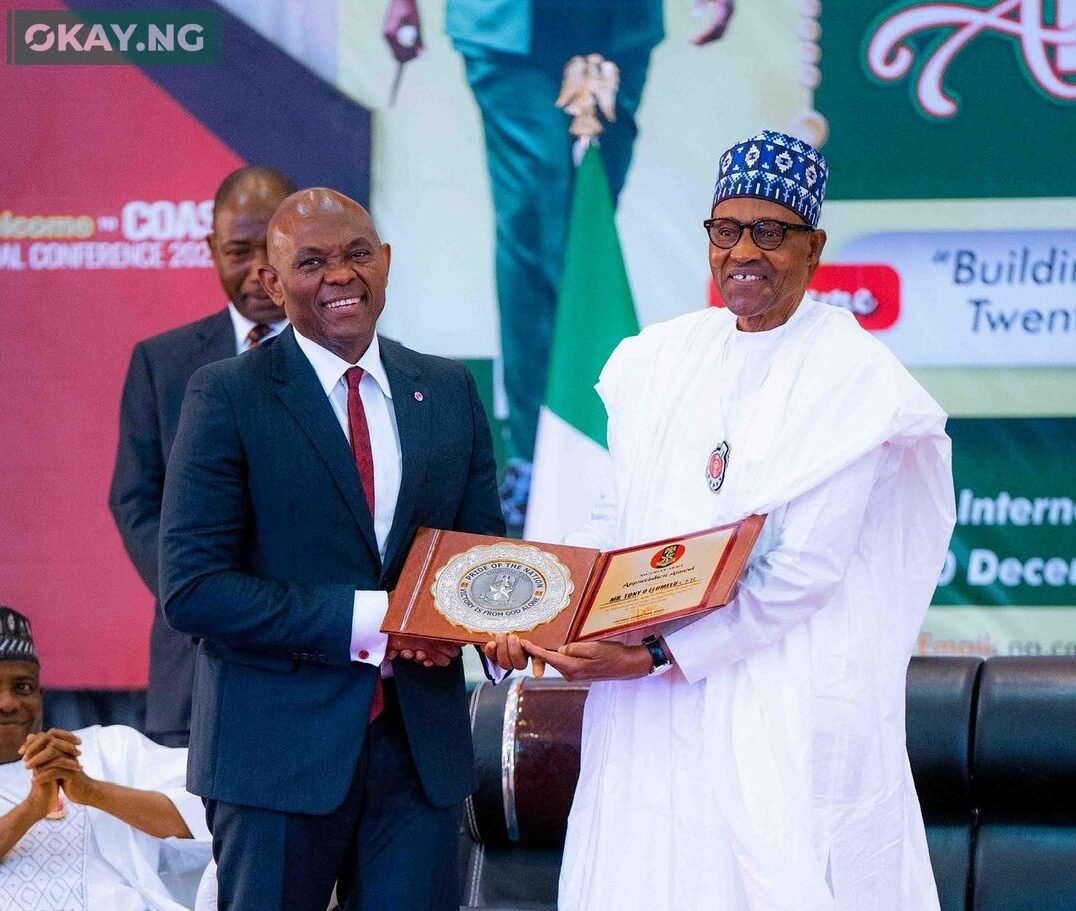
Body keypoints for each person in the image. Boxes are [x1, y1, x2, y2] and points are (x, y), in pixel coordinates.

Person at [505, 131, 955, 910]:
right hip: (645, 710)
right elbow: (613, 518)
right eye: (727, 229)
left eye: (770, 231)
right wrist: (551, 614)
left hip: (773, 694)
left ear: (814, 248)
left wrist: (658, 654)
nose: (744, 252)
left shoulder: (851, 376)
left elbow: (801, 575)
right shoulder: (660, 360)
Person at [158, 188, 505, 911]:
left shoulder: (447, 388)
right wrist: (377, 620)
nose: (340, 275)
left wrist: (504, 625)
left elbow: (479, 557)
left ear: (386, 262)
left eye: (356, 254)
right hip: (272, 758)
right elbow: (194, 589)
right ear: (272, 282)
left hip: (419, 756)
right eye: (312, 262)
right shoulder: (226, 394)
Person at [383, 0, 736, 531]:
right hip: (507, 26)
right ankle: (535, 459)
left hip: (616, 25)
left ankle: (596, 453)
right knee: (536, 225)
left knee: (590, 225)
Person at [109, 166, 297, 748]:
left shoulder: (352, 364)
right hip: (194, 667)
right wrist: (203, 598)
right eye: (239, 251)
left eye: (273, 250)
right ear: (212, 249)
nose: (259, 270)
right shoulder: (161, 363)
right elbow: (136, 502)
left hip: (319, 667)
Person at [0, 605, 211, 910]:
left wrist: (91, 791)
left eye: (23, 687)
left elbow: (212, 815)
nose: (8, 703)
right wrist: (33, 808)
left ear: (40, 694)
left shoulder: (105, 749)